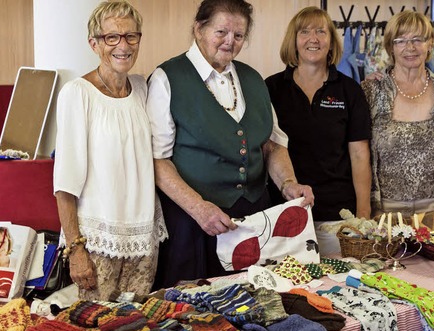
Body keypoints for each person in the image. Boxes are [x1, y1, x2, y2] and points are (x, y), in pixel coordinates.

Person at [146, 0, 314, 288]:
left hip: (253, 222)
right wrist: (199, 208)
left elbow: (271, 145)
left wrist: (288, 183)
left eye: (238, 36)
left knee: (255, 306)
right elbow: (157, 161)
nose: (230, 42)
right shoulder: (168, 78)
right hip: (194, 225)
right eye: (221, 32)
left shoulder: (253, 79)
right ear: (199, 28)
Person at [53, 1, 167, 301]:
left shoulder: (142, 87)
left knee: (136, 322)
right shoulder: (77, 94)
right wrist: (75, 250)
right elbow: (65, 183)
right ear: (94, 43)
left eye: (131, 36)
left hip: (143, 238)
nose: (123, 46)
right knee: (94, 323)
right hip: (97, 243)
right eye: (111, 37)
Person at [361, 11, 434, 232]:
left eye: (417, 39)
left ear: (430, 44)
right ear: (390, 47)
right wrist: (365, 210)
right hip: (384, 216)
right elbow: (357, 155)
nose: (409, 47)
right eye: (400, 40)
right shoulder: (370, 92)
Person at [265, 7, 371, 221]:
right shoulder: (271, 88)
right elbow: (265, 150)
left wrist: (362, 215)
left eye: (321, 32)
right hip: (284, 211)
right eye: (304, 31)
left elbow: (359, 156)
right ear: (293, 40)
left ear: (331, 41)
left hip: (338, 214)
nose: (313, 39)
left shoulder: (350, 90)